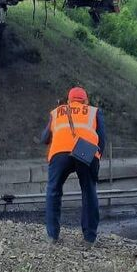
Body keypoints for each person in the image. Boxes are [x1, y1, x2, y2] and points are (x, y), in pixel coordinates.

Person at [40, 86, 106, 245]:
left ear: (68, 101)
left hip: (59, 152)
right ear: (86, 101)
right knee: (89, 190)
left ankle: (52, 235)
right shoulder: (94, 112)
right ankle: (89, 238)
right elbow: (102, 139)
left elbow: (44, 138)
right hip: (86, 152)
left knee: (53, 190)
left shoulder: (57, 112)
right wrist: (96, 159)